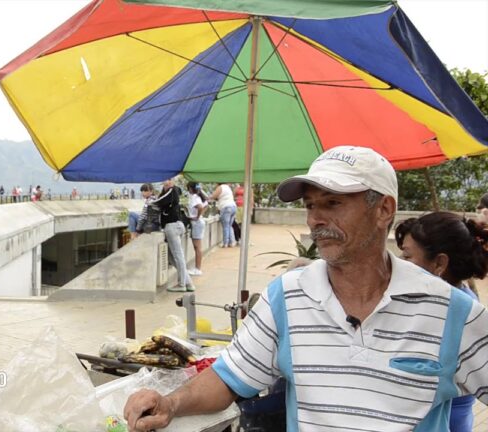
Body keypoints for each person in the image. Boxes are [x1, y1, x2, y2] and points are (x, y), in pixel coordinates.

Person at [124, 146, 488, 432]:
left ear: (384, 210)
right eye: (310, 205)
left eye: (333, 203)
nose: (316, 218)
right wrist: (170, 403)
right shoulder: (286, 296)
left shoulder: (452, 312)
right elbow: (229, 376)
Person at [395, 212, 488, 432]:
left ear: (439, 263)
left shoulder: (459, 313)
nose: (399, 264)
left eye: (407, 257)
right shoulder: (441, 300)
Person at [153, 178, 192, 292]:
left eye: (170, 179)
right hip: (174, 226)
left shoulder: (172, 190)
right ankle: (189, 283)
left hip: (172, 226)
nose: (168, 181)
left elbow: (159, 201)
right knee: (171, 256)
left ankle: (181, 284)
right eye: (166, 179)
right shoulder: (167, 192)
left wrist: (151, 203)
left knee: (178, 256)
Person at [186, 182, 208, 276]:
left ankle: (197, 269)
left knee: (197, 247)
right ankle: (197, 268)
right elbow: (206, 205)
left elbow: (199, 207)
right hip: (199, 222)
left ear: (190, 188)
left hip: (196, 223)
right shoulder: (200, 196)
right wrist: (200, 215)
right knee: (198, 247)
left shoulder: (194, 197)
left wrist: (197, 216)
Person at [209, 182, 237, 247]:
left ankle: (225, 243)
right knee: (230, 226)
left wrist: (208, 197)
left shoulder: (220, 187)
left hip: (226, 207)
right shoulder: (228, 187)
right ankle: (232, 242)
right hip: (233, 207)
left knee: (226, 226)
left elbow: (213, 196)